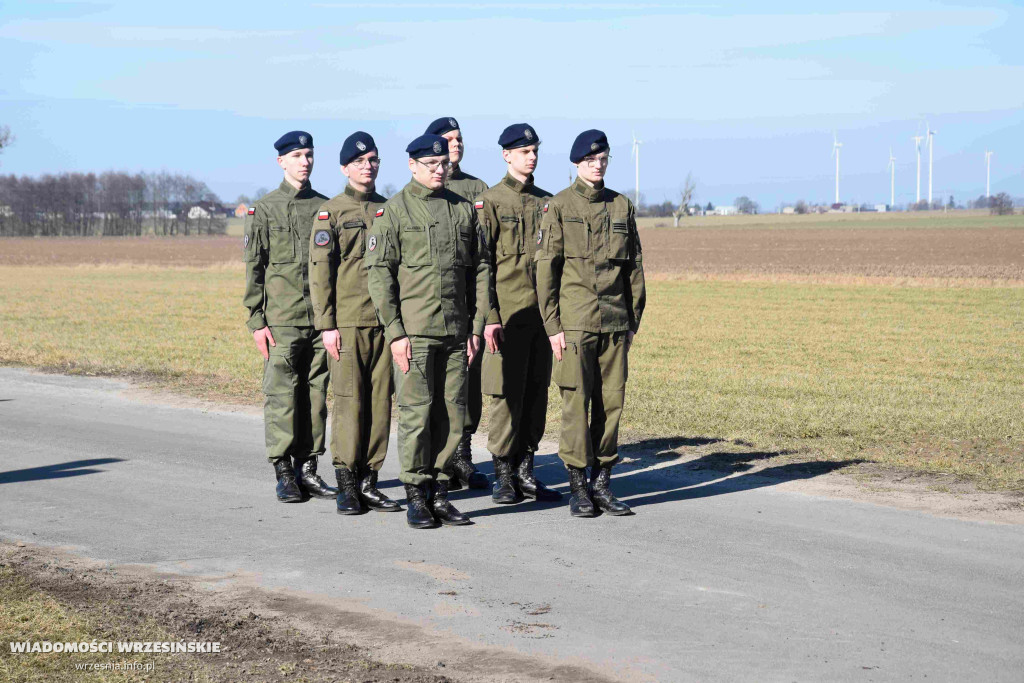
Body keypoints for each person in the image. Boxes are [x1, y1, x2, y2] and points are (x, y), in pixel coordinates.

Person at [366, 133, 490, 529]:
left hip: (456, 331)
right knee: (417, 414)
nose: (439, 170)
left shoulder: (462, 209)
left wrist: (476, 326)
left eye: (444, 164)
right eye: (431, 165)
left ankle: (440, 492)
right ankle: (416, 495)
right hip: (415, 333)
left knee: (452, 414)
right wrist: (395, 332)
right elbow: (380, 276)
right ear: (412, 165)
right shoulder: (394, 212)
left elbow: (480, 269)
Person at [534, 129, 646, 517]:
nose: (598, 166)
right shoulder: (559, 206)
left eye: (603, 159)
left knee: (611, 405)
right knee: (575, 405)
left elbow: (634, 268)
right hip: (576, 325)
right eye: (590, 160)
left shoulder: (621, 206)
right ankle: (578, 486)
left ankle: (602, 483)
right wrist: (553, 326)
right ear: (577, 164)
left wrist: (632, 321)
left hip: (615, 324)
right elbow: (546, 270)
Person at [243, 130, 338, 502]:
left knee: (316, 395)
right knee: (282, 395)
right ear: (281, 161)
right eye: (297, 155)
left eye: (309, 154)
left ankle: (308, 469)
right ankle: (283, 471)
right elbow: (254, 268)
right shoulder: (264, 209)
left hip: (321, 320)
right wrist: (257, 320)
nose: (305, 161)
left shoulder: (327, 207)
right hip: (282, 320)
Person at [309, 131, 399, 515]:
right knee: (349, 402)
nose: (368, 166)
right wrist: (327, 325)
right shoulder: (331, 212)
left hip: (385, 324)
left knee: (380, 404)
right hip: (347, 324)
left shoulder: (391, 210)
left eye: (373, 160)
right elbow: (320, 273)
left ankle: (369, 480)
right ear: (345, 168)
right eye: (359, 161)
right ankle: (346, 482)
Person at [475, 123, 561, 504]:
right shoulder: (490, 202)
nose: (532, 156)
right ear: (506, 155)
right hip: (506, 318)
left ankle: (526, 471)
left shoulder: (549, 203)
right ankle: (503, 475)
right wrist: (490, 316)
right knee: (505, 395)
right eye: (525, 151)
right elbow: (481, 266)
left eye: (535, 150)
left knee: (536, 394)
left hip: (541, 317)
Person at [423, 116, 488, 491]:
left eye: (460, 138)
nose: (456, 143)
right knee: (436, 389)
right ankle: (439, 461)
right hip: (432, 306)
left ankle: (463, 455)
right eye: (448, 139)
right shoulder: (422, 189)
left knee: (468, 385)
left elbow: (485, 252)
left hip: (467, 303)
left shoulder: (477, 188)